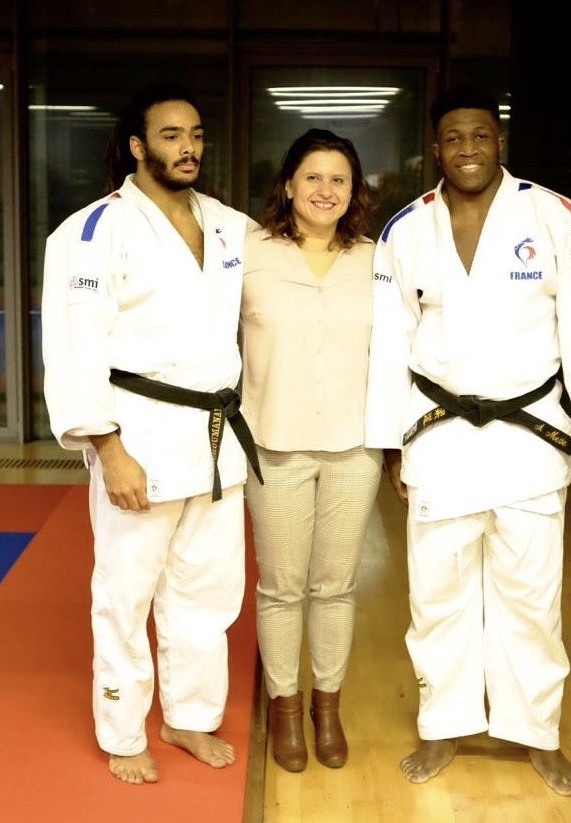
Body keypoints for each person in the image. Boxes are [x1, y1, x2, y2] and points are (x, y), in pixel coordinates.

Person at [365, 86, 571, 796]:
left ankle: (537, 732)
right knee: (437, 594)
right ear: (436, 148)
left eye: (479, 135)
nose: (468, 149)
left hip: (530, 438)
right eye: (453, 138)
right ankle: (442, 724)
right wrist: (391, 445)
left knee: (531, 597)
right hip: (439, 435)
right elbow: (390, 343)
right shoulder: (405, 230)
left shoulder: (555, 215)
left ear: (499, 141)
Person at [40, 85, 261, 785]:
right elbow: (75, 347)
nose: (188, 148)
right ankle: (123, 729)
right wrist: (107, 448)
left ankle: (189, 716)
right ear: (137, 146)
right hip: (140, 434)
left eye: (195, 134)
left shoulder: (230, 225)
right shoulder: (90, 232)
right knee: (127, 592)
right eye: (170, 136)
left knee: (209, 589)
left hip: (217, 436)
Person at [240, 129, 383, 772]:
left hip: (355, 447)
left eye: (339, 179)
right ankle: (285, 708)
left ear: (354, 191)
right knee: (281, 587)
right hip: (274, 445)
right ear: (289, 185)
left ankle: (328, 707)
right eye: (313, 177)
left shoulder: (376, 260)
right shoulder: (250, 253)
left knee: (335, 585)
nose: (326, 190)